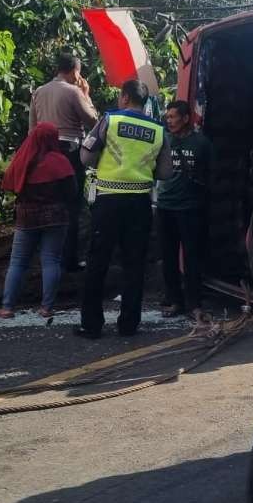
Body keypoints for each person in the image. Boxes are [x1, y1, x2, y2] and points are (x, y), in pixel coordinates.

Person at [77, 80, 173, 339]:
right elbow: (165, 171)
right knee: (134, 264)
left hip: (108, 201)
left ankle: (91, 325)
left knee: (98, 262)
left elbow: (85, 157)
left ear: (125, 97)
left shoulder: (111, 120)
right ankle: (129, 324)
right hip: (140, 204)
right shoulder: (158, 129)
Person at [0, 123, 78, 319]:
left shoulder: (23, 159)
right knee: (51, 261)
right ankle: (46, 308)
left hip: (27, 218)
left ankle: (7, 307)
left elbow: (10, 184)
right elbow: (73, 192)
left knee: (18, 262)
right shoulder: (60, 162)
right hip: (56, 217)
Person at [30, 52, 99, 272]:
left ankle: (47, 258)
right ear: (75, 71)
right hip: (69, 150)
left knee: (47, 204)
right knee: (71, 205)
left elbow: (32, 128)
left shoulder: (38, 92)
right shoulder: (74, 91)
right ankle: (68, 260)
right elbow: (93, 121)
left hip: (42, 152)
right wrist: (86, 94)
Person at [157, 100, 213, 324]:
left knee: (192, 258)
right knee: (168, 257)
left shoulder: (202, 143)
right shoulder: (163, 140)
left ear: (186, 118)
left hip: (191, 208)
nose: (169, 121)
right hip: (165, 206)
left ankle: (194, 303)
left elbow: (211, 174)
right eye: (168, 117)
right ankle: (174, 300)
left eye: (173, 117)